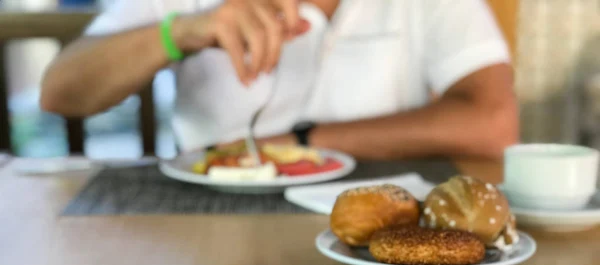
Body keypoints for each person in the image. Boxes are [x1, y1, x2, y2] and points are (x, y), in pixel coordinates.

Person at [41, 0, 518, 159]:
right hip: (208, 219)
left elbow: (494, 123)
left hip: (376, 217)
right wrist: (181, 32)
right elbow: (60, 90)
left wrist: (298, 144)